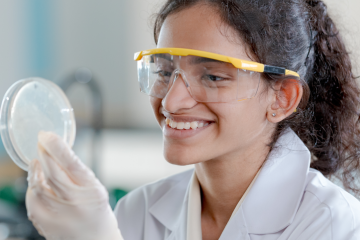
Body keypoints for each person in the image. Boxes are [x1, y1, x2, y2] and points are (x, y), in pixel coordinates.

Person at [26, 0, 360, 239]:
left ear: (282, 98)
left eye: (213, 77)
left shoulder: (332, 225)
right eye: (165, 71)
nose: (171, 100)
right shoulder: (139, 211)